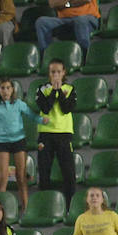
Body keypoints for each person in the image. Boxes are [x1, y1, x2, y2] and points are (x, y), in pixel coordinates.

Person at [0, 78, 47, 211]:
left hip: (19, 141)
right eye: (2, 88)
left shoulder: (18, 104)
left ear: (12, 90)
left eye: (8, 88)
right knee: (3, 177)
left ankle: (26, 207)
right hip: (2, 143)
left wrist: (42, 120)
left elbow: (31, 115)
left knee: (21, 177)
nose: (5, 91)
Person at [36, 58, 77, 205]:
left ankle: (70, 205)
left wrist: (60, 91)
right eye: (53, 72)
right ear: (49, 73)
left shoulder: (70, 89)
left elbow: (67, 108)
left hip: (64, 133)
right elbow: (45, 107)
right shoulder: (42, 89)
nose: (55, 75)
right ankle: (45, 205)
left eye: (58, 72)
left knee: (68, 172)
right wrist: (54, 91)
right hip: (46, 134)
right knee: (44, 171)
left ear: (63, 72)